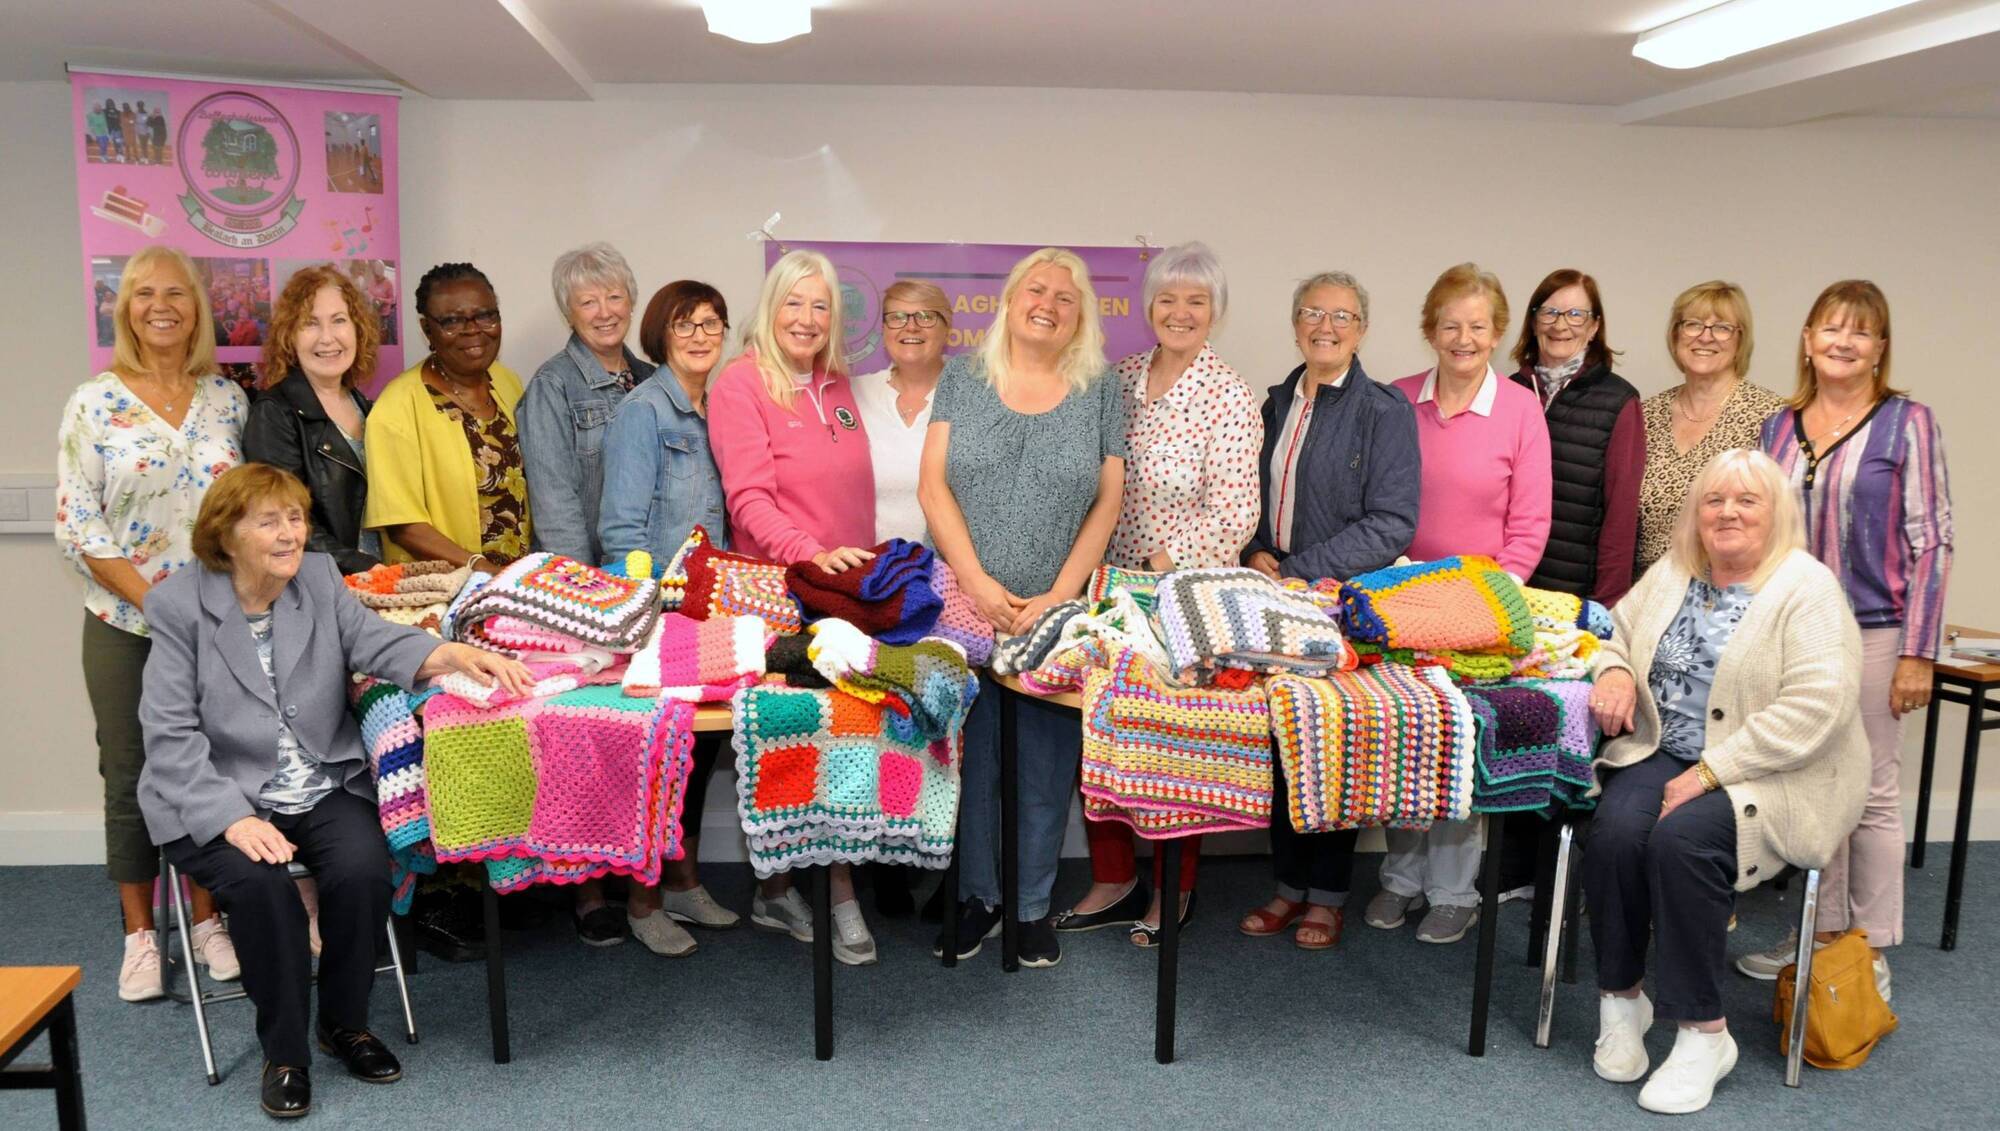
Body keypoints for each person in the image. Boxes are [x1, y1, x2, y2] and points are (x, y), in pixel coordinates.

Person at [139, 463, 531, 1119]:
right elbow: (169, 734)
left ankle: (344, 1023)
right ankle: (285, 1052)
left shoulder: (318, 579)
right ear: (226, 535)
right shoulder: (179, 607)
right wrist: (232, 819)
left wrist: (450, 655)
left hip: (319, 780)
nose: (290, 533)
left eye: (295, 518)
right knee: (264, 891)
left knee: (363, 869)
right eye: (269, 521)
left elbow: (374, 640)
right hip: (218, 794)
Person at [1584, 448, 1866, 1115]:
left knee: (1681, 841)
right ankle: (1622, 1000)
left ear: (1776, 513)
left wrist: (1713, 771)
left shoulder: (1807, 588)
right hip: (1668, 749)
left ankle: (1703, 1032)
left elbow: (1818, 707)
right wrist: (1614, 671)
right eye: (1714, 500)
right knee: (1615, 832)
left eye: (1747, 500)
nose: (1728, 512)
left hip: (1774, 771)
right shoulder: (1673, 571)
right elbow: (1609, 635)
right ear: (1696, 513)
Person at [1737, 280, 1953, 995]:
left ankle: (1867, 951)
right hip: (1794, 631)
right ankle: (1818, 935)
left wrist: (1918, 651)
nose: (1844, 342)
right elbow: (1760, 532)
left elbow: (1933, 539)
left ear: (1880, 348)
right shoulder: (1777, 428)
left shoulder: (1908, 423)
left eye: (1861, 331)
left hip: (1877, 630)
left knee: (1872, 792)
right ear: (1807, 340)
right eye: (1831, 328)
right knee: (1811, 785)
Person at [920, 247, 1126, 969]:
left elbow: (1108, 500)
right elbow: (933, 487)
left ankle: (1031, 904)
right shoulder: (962, 378)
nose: (1049, 304)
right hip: (964, 604)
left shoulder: (1100, 388)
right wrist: (976, 581)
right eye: (1036, 289)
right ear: (1010, 300)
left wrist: (1061, 595)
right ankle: (978, 896)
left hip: (1057, 612)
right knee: (970, 762)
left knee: (1045, 762)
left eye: (1066, 297)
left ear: (1082, 316)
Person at [56, 244, 247, 1003]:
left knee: (213, 764)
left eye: (176, 293)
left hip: (218, 621)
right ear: (124, 310)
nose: (160, 306)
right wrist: (157, 603)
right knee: (130, 773)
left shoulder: (227, 400)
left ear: (197, 310)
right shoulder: (92, 402)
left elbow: (244, 511)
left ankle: (207, 919)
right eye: (143, 294)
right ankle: (140, 934)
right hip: (123, 623)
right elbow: (80, 527)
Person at [1059, 242, 1260, 945]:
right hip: (1105, 590)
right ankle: (1113, 879)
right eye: (1168, 299)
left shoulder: (1229, 394)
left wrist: (1155, 564)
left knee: (1174, 743)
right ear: (1148, 307)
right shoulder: (1119, 379)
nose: (1180, 312)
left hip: (1179, 597)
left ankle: (1175, 888)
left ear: (1215, 311)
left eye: (1195, 301)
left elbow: (1237, 513)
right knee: (1102, 730)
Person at [1237, 270, 1420, 950]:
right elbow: (1249, 496)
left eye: (1342, 315)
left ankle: (1328, 895)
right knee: (1284, 743)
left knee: (1331, 743)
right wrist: (1257, 549)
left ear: (1361, 330)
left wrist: (1301, 569)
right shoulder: (1274, 402)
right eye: (1313, 312)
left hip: (1338, 599)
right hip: (1274, 590)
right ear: (1295, 325)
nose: (1326, 326)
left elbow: (1393, 522)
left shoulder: (1383, 411)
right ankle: (1288, 886)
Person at [1370, 263, 1551, 945]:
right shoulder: (1396, 400)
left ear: (1498, 332)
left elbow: (1529, 525)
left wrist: (1488, 603)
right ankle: (1399, 877)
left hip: (1479, 608)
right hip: (1400, 597)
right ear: (1430, 329)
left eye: (1477, 326)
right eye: (1450, 325)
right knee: (1400, 738)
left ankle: (1453, 890)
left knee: (1456, 744)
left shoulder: (1521, 409)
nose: (1463, 338)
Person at [708, 250, 878, 962]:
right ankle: (835, 894)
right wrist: (810, 553)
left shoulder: (837, 383)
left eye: (820, 305)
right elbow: (748, 499)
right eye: (794, 303)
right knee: (800, 745)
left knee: (844, 743)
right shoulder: (740, 384)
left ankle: (778, 889)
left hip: (847, 595)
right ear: (770, 308)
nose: (806, 318)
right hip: (782, 597)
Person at [594, 279, 738, 955]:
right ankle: (642, 898)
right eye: (686, 324)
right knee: (660, 757)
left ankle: (682, 879)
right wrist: (642, 616)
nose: (700, 335)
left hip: (714, 608)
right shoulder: (643, 411)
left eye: (712, 323)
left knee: (702, 753)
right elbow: (620, 528)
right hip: (659, 612)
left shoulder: (724, 406)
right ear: (661, 334)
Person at [362, 262, 529, 571]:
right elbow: (403, 525)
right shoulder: (396, 408)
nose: (473, 330)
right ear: (428, 329)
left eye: (485, 315)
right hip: (447, 588)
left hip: (519, 584)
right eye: (452, 321)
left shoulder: (508, 383)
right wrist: (481, 569)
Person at [1508, 269, 1644, 605]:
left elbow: (1621, 514)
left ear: (1594, 326)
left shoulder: (1619, 402)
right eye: (1550, 312)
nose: (1560, 325)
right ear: (1533, 322)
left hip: (1575, 595)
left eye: (1575, 314)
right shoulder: (1506, 393)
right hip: (1508, 586)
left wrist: (1607, 602)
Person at [1634, 282, 1784, 578]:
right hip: (1646, 589)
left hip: (1730, 589)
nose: (1705, 336)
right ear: (1676, 335)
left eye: (1722, 328)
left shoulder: (1770, 416)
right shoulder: (1644, 415)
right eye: (1693, 324)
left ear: (1741, 340)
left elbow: (1779, 520)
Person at [244, 264, 384, 574]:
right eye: (310, 323)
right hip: (326, 585)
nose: (327, 338)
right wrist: (364, 566)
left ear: (357, 329)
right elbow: (284, 521)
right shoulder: (273, 414)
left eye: (339, 320)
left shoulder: (365, 406)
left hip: (377, 581)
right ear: (289, 336)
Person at [520, 242, 651, 571]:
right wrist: (584, 583)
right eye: (588, 302)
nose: (605, 312)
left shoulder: (652, 380)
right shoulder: (552, 386)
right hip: (588, 577)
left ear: (631, 302)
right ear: (568, 314)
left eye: (614, 297)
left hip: (651, 569)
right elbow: (554, 505)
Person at [849, 280, 951, 545]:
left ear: (947, 329)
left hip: (953, 566)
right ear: (884, 330)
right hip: (873, 565)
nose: (911, 326)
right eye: (897, 317)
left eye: (926, 316)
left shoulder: (973, 396)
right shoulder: (854, 394)